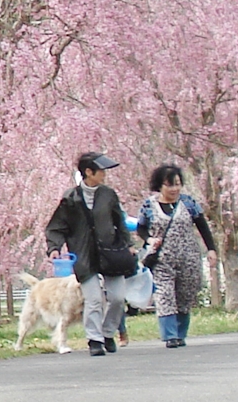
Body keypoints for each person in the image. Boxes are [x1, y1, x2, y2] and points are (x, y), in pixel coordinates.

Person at [45, 152, 134, 357]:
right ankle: (94, 339)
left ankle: (108, 332)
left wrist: (127, 243)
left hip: (110, 252)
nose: (104, 174)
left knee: (118, 297)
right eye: (101, 170)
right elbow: (57, 227)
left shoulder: (108, 195)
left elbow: (119, 221)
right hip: (84, 255)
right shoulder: (71, 198)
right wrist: (54, 247)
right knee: (93, 299)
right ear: (88, 172)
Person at [138, 165, 217, 348]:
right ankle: (170, 335)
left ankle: (181, 334)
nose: (174, 189)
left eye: (177, 184)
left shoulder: (188, 203)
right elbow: (141, 227)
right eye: (169, 185)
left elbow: (202, 226)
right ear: (159, 186)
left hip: (188, 257)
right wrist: (149, 239)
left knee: (185, 295)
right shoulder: (149, 205)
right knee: (164, 295)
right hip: (161, 259)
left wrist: (211, 249)